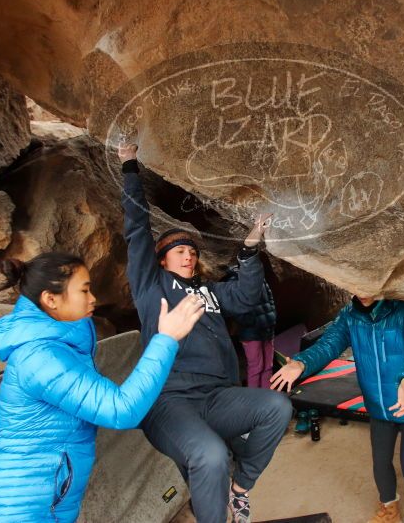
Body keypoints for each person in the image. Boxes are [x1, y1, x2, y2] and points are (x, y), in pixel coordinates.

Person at [118, 143, 292, 523]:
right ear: (162, 261)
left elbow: (246, 298)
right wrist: (129, 167)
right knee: (210, 456)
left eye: (192, 251)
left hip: (216, 396)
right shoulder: (152, 286)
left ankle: (239, 491)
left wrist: (248, 252)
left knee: (277, 407)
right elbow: (136, 230)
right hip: (170, 399)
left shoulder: (209, 292)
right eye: (178, 250)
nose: (188, 255)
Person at [0, 252, 205, 522]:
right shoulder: (41, 358)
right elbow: (119, 409)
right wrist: (166, 339)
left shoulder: (59, 343)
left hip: (43, 507)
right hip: (17, 513)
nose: (93, 299)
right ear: (50, 299)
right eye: (84, 290)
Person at [271, 295, 404, 523]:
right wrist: (301, 363)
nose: (362, 291)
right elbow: (328, 344)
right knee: (380, 462)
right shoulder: (350, 315)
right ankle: (389, 510)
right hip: (379, 407)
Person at [221, 263, 277, 388]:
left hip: (267, 327)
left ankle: (266, 395)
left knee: (268, 365)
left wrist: (272, 317)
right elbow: (235, 308)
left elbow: (270, 298)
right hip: (250, 331)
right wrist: (249, 322)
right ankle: (254, 399)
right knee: (256, 366)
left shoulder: (260, 277)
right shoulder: (233, 280)